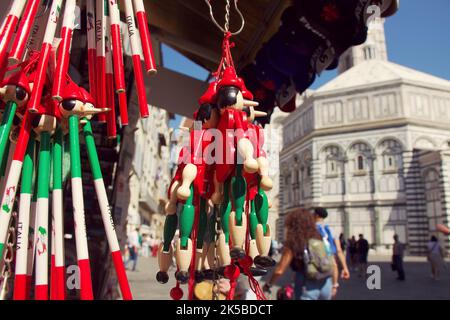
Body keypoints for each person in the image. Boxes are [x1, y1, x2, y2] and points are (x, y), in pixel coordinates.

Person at [263, 209, 334, 300]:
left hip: (306, 283)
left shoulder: (294, 240)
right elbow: (331, 258)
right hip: (326, 282)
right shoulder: (318, 235)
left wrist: (268, 284)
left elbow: (280, 270)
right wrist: (335, 284)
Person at [313, 207, 351, 287]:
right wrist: (345, 268)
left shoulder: (311, 229)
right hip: (330, 261)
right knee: (334, 264)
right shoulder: (331, 230)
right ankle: (334, 285)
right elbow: (339, 250)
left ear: (316, 215)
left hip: (315, 264)